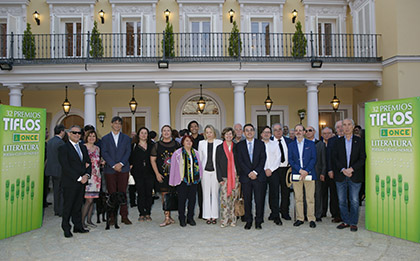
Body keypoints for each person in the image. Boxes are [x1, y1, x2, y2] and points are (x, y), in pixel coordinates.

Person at [332, 119, 366, 232]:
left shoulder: (360, 141)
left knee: (354, 200)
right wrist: (343, 169)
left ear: (353, 126)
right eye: (344, 125)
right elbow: (335, 158)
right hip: (341, 175)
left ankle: (353, 222)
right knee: (342, 200)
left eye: (348, 125)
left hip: (355, 175)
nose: (346, 127)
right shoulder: (338, 142)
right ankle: (345, 221)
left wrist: (352, 169)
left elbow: (362, 158)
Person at [58, 125, 92, 238]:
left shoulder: (83, 147)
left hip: (82, 182)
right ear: (68, 134)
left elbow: (88, 163)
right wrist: (79, 178)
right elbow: (66, 166)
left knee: (78, 205)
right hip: (70, 182)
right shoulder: (63, 148)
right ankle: (66, 228)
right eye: (74, 133)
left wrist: (86, 175)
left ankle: (78, 226)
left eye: (79, 133)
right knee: (68, 206)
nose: (77, 135)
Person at [101, 116, 132, 225]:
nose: (117, 125)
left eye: (119, 123)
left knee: (123, 192)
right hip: (110, 169)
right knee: (112, 193)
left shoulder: (127, 138)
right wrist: (113, 165)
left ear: (121, 125)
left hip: (123, 168)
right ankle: (112, 217)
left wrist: (121, 164)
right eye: (115, 123)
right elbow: (104, 153)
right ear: (111, 124)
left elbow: (128, 152)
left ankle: (124, 216)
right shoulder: (105, 139)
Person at [236, 124, 267, 230]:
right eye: (247, 130)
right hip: (246, 177)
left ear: (254, 132)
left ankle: (258, 221)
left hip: (258, 177)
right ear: (244, 133)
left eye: (251, 130)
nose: (249, 132)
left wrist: (255, 172)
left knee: (259, 200)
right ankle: (248, 220)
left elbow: (263, 159)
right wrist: (249, 172)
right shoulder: (240, 145)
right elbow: (239, 161)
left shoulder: (260, 144)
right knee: (247, 200)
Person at [169, 135, 203, 227]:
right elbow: (173, 168)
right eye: (186, 141)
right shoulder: (177, 153)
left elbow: (199, 167)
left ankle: (190, 218)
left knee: (192, 200)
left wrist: (200, 177)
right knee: (182, 201)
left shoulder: (195, 153)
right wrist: (171, 181)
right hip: (182, 181)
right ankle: (182, 218)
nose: (189, 143)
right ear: (183, 142)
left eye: (190, 141)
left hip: (193, 181)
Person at [151, 125, 180, 226]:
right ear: (161, 133)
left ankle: (170, 215)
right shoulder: (157, 145)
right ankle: (166, 217)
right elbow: (153, 160)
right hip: (162, 175)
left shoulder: (176, 144)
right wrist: (157, 174)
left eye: (168, 131)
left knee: (173, 194)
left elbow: (181, 159)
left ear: (171, 132)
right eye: (164, 131)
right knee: (164, 195)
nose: (166, 132)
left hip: (175, 175)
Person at [288, 124, 317, 228]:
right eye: (296, 130)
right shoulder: (291, 145)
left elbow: (313, 158)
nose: (298, 132)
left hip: (309, 174)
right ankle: (300, 218)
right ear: (294, 133)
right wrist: (299, 170)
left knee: (310, 198)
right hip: (297, 174)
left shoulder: (311, 144)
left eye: (300, 130)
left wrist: (306, 170)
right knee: (298, 197)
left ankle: (311, 218)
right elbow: (290, 159)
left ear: (304, 132)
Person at [198, 125, 222, 224]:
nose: (209, 134)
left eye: (210, 132)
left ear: (214, 133)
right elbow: (199, 159)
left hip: (216, 172)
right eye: (207, 132)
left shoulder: (219, 142)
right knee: (206, 194)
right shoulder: (201, 143)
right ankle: (207, 216)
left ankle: (214, 216)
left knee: (215, 194)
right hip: (205, 172)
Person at [216, 127, 240, 228]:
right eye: (226, 134)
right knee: (224, 200)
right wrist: (219, 178)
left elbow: (240, 162)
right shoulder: (219, 148)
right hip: (224, 177)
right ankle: (224, 219)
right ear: (223, 135)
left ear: (233, 135)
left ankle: (233, 219)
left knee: (234, 199)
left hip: (235, 176)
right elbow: (216, 163)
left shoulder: (237, 147)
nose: (228, 136)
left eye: (230, 134)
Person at [129, 127, 154, 222]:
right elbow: (130, 158)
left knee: (149, 193)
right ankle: (141, 213)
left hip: (150, 173)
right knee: (140, 193)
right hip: (138, 173)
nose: (144, 135)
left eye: (145, 133)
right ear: (138, 135)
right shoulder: (133, 146)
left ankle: (148, 212)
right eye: (142, 133)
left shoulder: (152, 145)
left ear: (148, 135)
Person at [271, 123, 293, 221]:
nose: (278, 131)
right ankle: (274, 213)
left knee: (286, 192)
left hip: (286, 169)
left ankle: (285, 212)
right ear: (272, 131)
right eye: (275, 130)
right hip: (274, 169)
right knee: (274, 192)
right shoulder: (269, 142)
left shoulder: (289, 141)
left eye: (280, 129)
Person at [260, 126, 282, 225]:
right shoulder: (258, 144)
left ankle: (275, 215)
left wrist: (271, 169)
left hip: (274, 172)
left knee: (275, 194)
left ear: (271, 134)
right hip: (261, 172)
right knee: (260, 195)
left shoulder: (275, 144)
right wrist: (264, 169)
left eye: (268, 132)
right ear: (261, 134)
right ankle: (259, 217)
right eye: (264, 132)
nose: (266, 134)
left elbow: (278, 158)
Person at [305, 126, 326, 222]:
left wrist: (323, 172)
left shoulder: (320, 144)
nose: (308, 132)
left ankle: (318, 214)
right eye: (306, 130)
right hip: (305, 173)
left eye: (310, 130)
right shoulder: (303, 143)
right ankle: (306, 214)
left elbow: (323, 159)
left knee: (317, 194)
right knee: (306, 194)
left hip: (317, 172)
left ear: (314, 132)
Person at [81, 130, 101, 229]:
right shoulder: (83, 147)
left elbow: (98, 161)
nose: (92, 138)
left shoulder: (97, 148)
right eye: (90, 136)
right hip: (88, 176)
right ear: (86, 137)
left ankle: (89, 220)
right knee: (88, 200)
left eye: (93, 136)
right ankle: (82, 221)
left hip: (97, 177)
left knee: (92, 200)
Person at [45, 124, 66, 217]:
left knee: (56, 190)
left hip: (51, 169)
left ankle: (56, 209)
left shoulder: (49, 141)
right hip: (59, 170)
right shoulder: (61, 143)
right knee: (61, 191)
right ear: (61, 132)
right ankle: (60, 210)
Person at [320, 127, 340, 220]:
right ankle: (322, 211)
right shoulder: (319, 143)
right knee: (322, 193)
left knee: (333, 194)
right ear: (321, 135)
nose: (326, 135)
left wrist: (330, 170)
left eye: (328, 133)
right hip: (322, 173)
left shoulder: (336, 142)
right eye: (324, 133)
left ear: (332, 134)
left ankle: (334, 213)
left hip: (333, 172)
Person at [326, 120, 344, 223]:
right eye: (338, 127)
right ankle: (336, 214)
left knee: (346, 194)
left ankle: (346, 214)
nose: (340, 129)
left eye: (342, 126)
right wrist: (329, 170)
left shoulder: (350, 139)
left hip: (347, 172)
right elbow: (329, 156)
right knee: (334, 194)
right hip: (334, 172)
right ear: (335, 130)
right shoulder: (331, 140)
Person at [187, 120, 205, 218]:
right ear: (189, 129)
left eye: (195, 126)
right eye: (192, 126)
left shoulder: (202, 138)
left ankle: (202, 212)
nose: (194, 128)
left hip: (201, 167)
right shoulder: (188, 139)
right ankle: (190, 213)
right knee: (191, 193)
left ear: (198, 128)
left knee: (201, 192)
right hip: (190, 168)